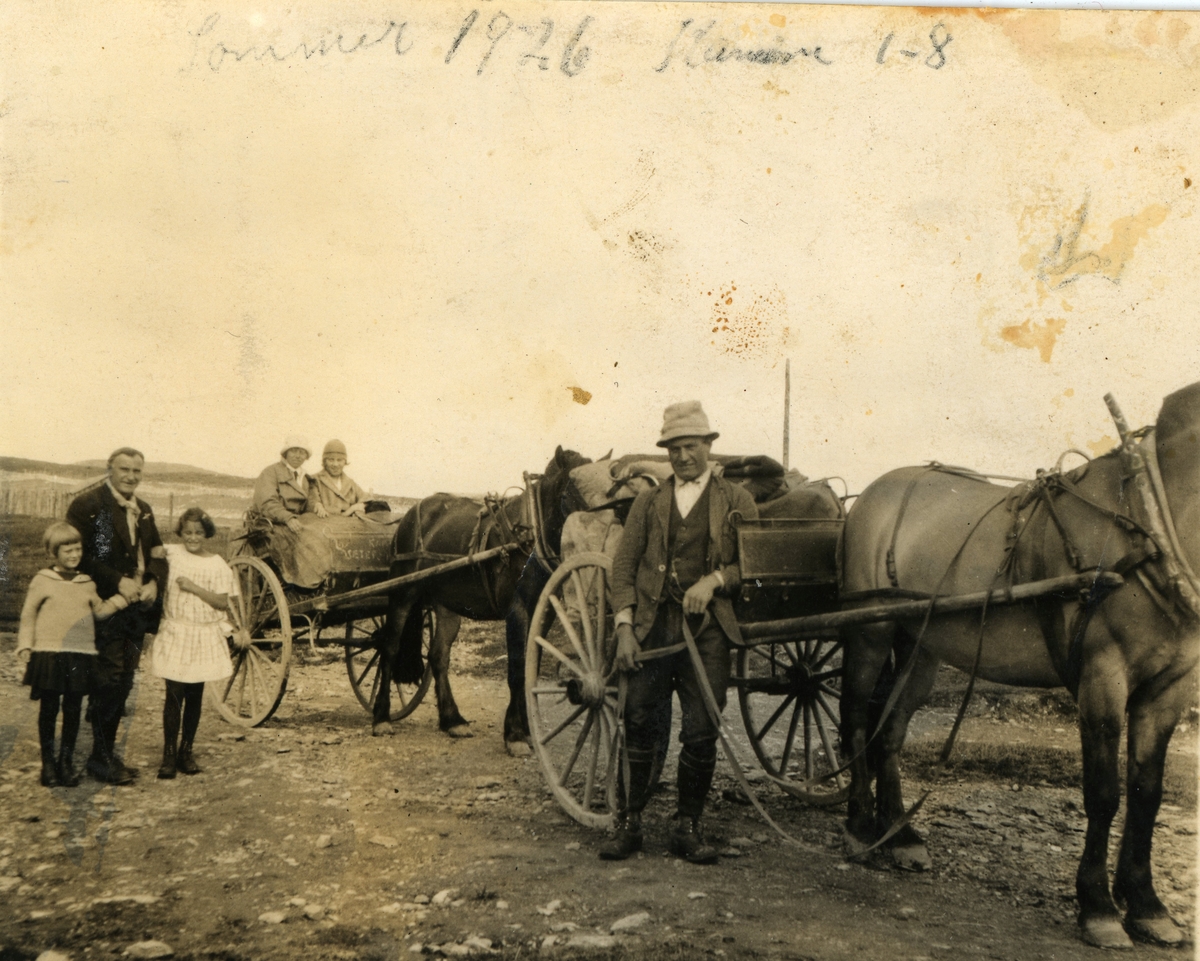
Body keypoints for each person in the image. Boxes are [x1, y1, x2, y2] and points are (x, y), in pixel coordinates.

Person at [601, 401, 758, 864]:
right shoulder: (649, 502)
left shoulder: (736, 501)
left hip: (708, 631)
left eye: (691, 447)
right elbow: (624, 567)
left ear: (709, 447)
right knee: (639, 720)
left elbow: (751, 565)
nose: (683, 457)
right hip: (652, 626)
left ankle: (687, 827)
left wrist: (714, 581)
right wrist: (626, 628)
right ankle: (630, 824)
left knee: (701, 727)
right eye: (674, 449)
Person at [66, 448, 168, 785]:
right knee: (109, 678)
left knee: (124, 678)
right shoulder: (88, 506)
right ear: (109, 468)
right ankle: (100, 757)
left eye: (137, 471)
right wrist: (117, 581)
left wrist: (153, 579)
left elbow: (157, 552)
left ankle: (105, 750)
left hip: (136, 610)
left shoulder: (145, 511)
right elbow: (77, 556)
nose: (131, 476)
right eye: (124, 469)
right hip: (104, 606)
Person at [17, 522, 130, 787]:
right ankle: (48, 766)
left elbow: (99, 611)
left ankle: (65, 764)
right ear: (53, 553)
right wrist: (25, 645)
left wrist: (122, 600)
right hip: (50, 653)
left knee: (73, 709)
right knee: (49, 708)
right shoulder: (42, 580)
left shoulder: (87, 582)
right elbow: (28, 615)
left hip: (80, 654)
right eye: (66, 550)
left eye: (77, 549)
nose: (73, 555)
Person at [145, 507, 236, 779]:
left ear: (206, 533)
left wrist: (194, 587)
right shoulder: (173, 554)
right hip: (176, 630)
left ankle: (187, 750)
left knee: (194, 695)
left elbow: (222, 602)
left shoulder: (217, 564)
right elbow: (152, 555)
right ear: (180, 533)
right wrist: (156, 555)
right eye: (187, 532)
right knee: (174, 693)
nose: (192, 538)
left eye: (198, 532)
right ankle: (169, 754)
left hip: (202, 634)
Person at [252, 436, 311, 533]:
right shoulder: (270, 472)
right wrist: (288, 518)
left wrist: (317, 505)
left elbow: (309, 504)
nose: (297, 456)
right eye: (293, 451)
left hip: (298, 524)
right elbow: (267, 503)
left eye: (302, 452)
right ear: (286, 453)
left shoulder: (306, 478)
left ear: (306, 456)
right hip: (271, 524)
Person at [307, 440, 367, 517]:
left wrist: (356, 507)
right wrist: (317, 505)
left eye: (339, 460)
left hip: (347, 526)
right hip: (324, 525)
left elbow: (366, 499)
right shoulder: (314, 479)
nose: (335, 464)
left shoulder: (350, 483)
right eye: (331, 459)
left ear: (345, 461)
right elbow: (312, 500)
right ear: (325, 461)